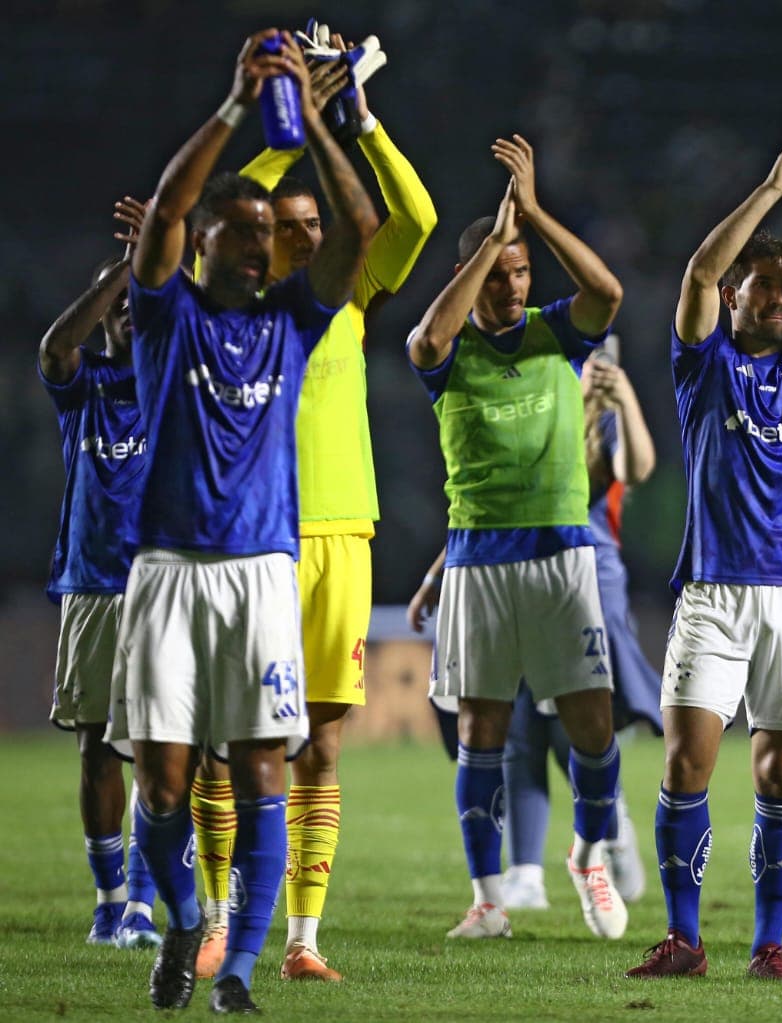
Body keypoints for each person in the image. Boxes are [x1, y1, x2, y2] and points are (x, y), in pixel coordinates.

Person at [111, 29, 377, 1014]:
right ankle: (186, 917)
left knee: (265, 769)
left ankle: (240, 972)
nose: (263, 244)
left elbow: (358, 226)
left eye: (269, 233)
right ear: (207, 242)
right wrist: (237, 108)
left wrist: (316, 118)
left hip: (262, 570)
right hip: (169, 570)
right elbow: (166, 210)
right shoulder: (165, 316)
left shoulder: (293, 322)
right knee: (163, 786)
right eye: (243, 230)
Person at [185, 31, 437, 983]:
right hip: (251, 538)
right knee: (224, 743)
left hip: (342, 533)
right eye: (285, 225)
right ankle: (216, 922)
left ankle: (303, 939)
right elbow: (212, 219)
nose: (303, 236)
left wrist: (357, 121)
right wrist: (282, 131)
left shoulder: (349, 295)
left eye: (311, 223)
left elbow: (413, 217)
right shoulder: (232, 302)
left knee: (320, 744)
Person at [627, 108, 782, 981]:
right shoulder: (703, 366)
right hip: (715, 590)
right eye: (762, 285)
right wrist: (774, 188)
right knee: (686, 761)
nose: (778, 298)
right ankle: (684, 939)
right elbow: (699, 269)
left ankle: (769, 944)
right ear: (735, 294)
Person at [407, 132, 628, 944]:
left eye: (521, 271)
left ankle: (588, 857)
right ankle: (487, 899)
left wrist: (532, 213)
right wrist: (490, 243)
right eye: (498, 274)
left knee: (593, 726)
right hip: (479, 561)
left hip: (561, 555)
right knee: (482, 732)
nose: (511, 286)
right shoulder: (449, 350)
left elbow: (607, 291)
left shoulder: (555, 332)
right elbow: (425, 340)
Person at [409, 353, 660, 912]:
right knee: (519, 722)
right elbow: (491, 501)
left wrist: (622, 396)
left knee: (577, 726)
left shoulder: (597, 415)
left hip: (585, 575)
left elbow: (637, 469)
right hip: (513, 567)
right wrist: (437, 575)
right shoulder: (525, 404)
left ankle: (609, 821)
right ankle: (525, 870)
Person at [40, 196, 161, 950]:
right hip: (91, 583)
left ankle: (144, 904)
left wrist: (157, 274)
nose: (127, 312)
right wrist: (124, 271)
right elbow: (55, 347)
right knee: (95, 748)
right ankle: (109, 900)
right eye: (117, 304)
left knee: (160, 748)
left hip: (164, 585)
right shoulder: (83, 387)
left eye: (138, 301)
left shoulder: (175, 385)